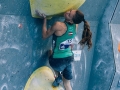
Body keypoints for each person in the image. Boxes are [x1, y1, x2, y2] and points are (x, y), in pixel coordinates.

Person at [36, 9, 92, 90]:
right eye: (70, 11)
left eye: (69, 15)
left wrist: (44, 20)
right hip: (69, 59)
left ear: (71, 21)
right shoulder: (76, 25)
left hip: (57, 61)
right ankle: (59, 76)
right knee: (67, 84)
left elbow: (44, 36)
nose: (67, 12)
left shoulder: (58, 25)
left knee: (49, 52)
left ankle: (58, 75)